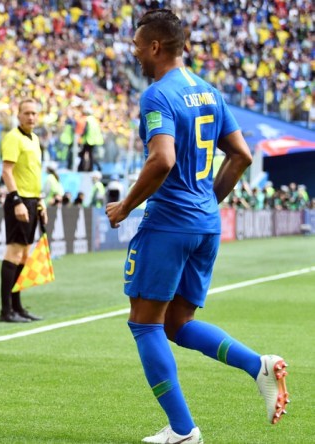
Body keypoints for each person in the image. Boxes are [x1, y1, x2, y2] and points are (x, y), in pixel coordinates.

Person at [105, 10, 289, 444]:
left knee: (145, 324)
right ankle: (257, 365)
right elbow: (241, 155)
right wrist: (206, 201)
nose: (134, 54)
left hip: (169, 223)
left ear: (154, 46)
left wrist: (127, 206)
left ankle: (184, 432)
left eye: (136, 46)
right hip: (206, 224)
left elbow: (163, 159)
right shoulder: (208, 92)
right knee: (178, 323)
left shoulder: (157, 95)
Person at [0, 98, 46, 323]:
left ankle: (17, 307)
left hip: (32, 200)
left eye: (34, 113)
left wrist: (40, 201)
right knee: (14, 253)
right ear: (18, 115)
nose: (31, 117)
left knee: (24, 256)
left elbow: (34, 174)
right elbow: (7, 172)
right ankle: (5, 310)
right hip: (19, 201)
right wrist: (16, 200)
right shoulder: (13, 138)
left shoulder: (35, 139)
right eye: (26, 112)